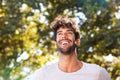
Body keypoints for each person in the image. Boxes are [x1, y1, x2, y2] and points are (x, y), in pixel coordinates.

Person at [27, 15, 111, 80]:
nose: (64, 36)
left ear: (77, 41)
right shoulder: (41, 75)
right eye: (60, 33)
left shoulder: (97, 73)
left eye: (69, 33)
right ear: (56, 43)